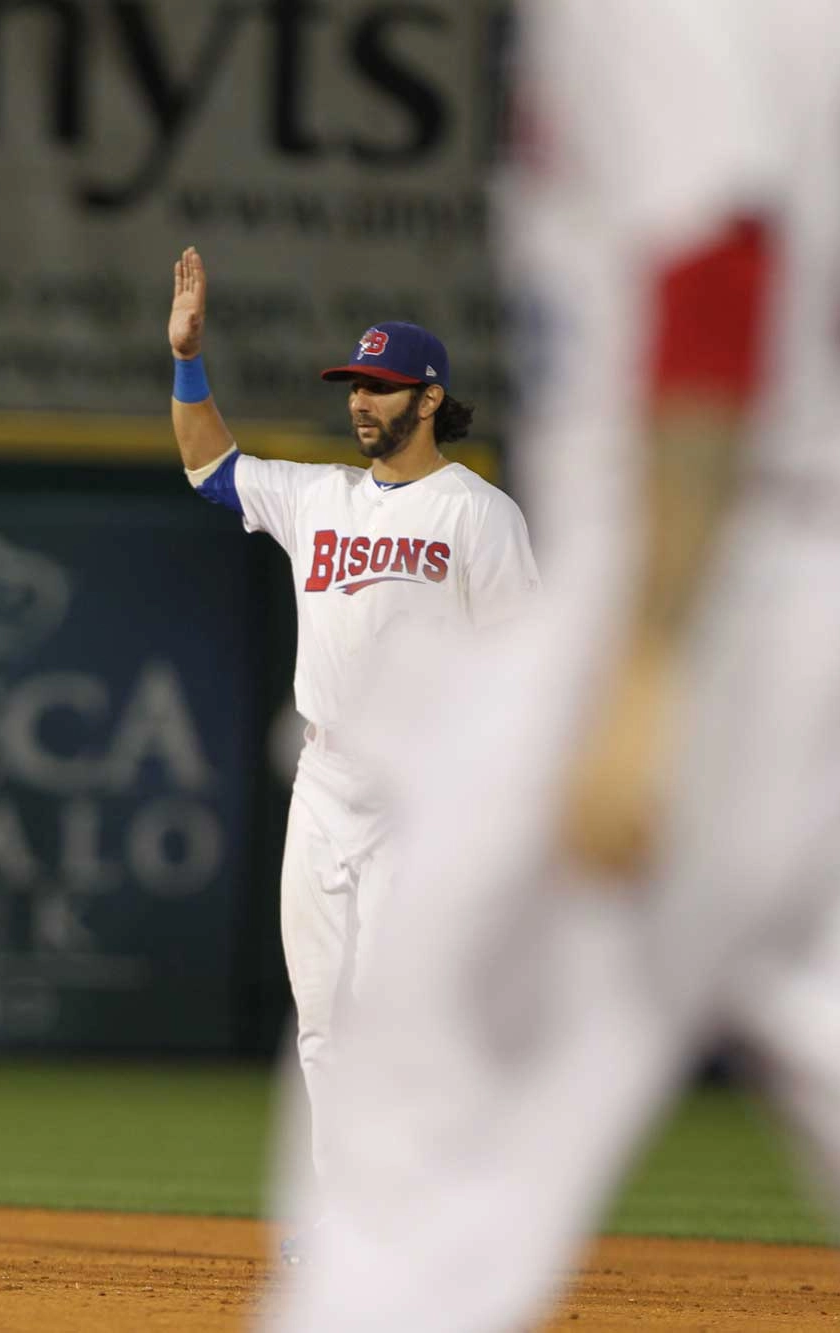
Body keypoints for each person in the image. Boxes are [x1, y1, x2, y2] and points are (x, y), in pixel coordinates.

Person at [268, 2, 840, 1328]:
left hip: (706, 561)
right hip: (826, 573)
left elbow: (718, 268)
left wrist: (656, 663)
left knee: (420, 1123)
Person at [165, 247, 539, 1251]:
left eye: (377, 386)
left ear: (428, 396)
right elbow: (208, 467)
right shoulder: (316, 496)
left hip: (423, 796)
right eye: (353, 386)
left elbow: (522, 673)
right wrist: (187, 360)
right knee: (324, 1017)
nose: (359, 402)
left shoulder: (476, 515)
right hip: (324, 781)